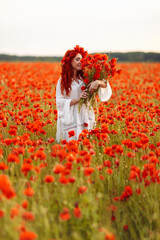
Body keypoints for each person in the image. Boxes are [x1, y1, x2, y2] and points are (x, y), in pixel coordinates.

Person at [56, 45, 112, 143]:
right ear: (70, 61)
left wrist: (97, 82)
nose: (80, 62)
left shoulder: (86, 76)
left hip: (85, 115)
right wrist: (77, 99)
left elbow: (105, 84)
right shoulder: (62, 81)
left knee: (86, 145)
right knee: (72, 146)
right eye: (77, 59)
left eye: (81, 59)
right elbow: (59, 101)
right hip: (71, 118)